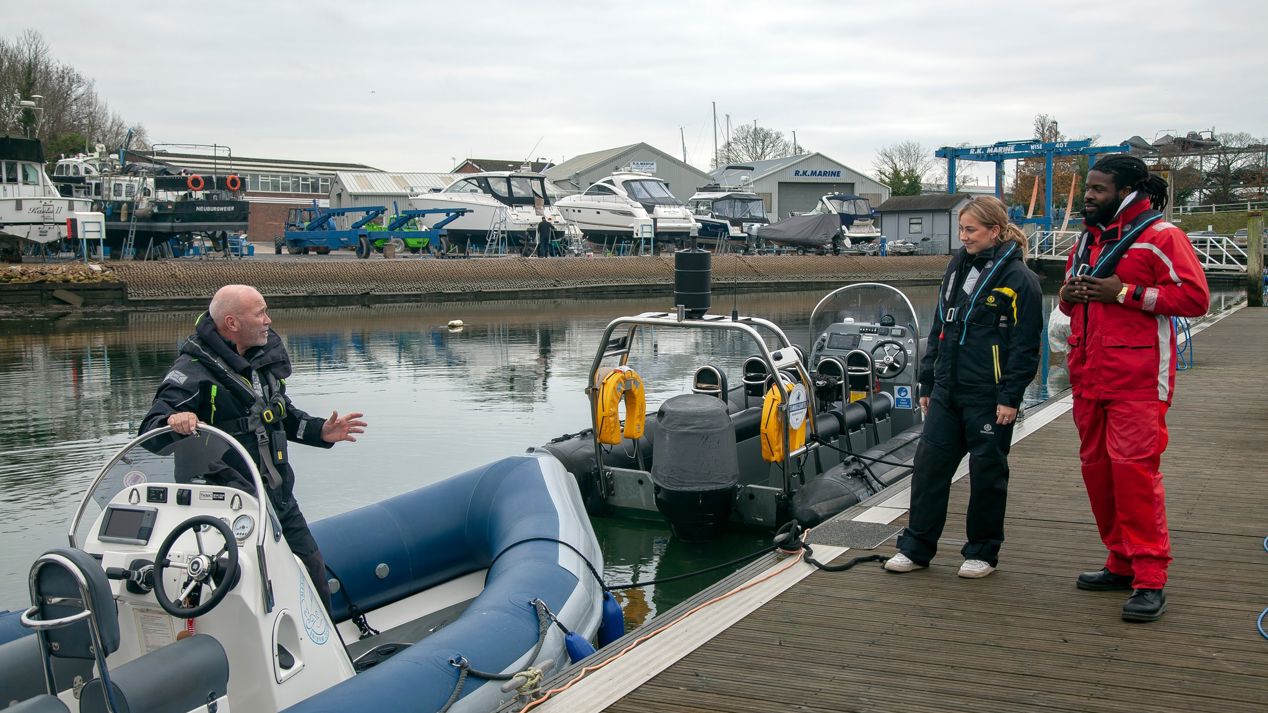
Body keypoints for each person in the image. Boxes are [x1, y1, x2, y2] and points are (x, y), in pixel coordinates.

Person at [140, 285, 366, 612]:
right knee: (249, 586)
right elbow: (151, 429)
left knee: (312, 568)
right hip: (228, 504)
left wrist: (321, 431)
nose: (268, 320)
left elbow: (280, 415)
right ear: (232, 323)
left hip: (277, 497)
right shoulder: (192, 370)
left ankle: (324, 644)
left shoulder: (262, 362)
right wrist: (175, 420)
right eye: (260, 313)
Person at [1058, 155, 1209, 622]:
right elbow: (1067, 303)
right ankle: (1120, 561)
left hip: (1138, 380)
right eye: (1089, 188)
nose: (1089, 196)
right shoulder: (1087, 238)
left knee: (1134, 476)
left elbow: (1196, 297)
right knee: (1097, 473)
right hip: (1089, 375)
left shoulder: (1162, 237)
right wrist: (1070, 294)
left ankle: (1150, 578)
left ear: (1126, 192)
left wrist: (1124, 293)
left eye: (1099, 190)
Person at [886, 196, 1042, 579]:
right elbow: (941, 324)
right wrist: (927, 378)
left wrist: (1010, 397)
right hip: (946, 390)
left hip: (987, 396)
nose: (963, 237)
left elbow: (1025, 345)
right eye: (961, 229)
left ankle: (982, 552)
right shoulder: (957, 267)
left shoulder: (1021, 280)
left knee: (987, 473)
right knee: (928, 469)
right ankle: (916, 547)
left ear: (995, 231)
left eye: (970, 230)